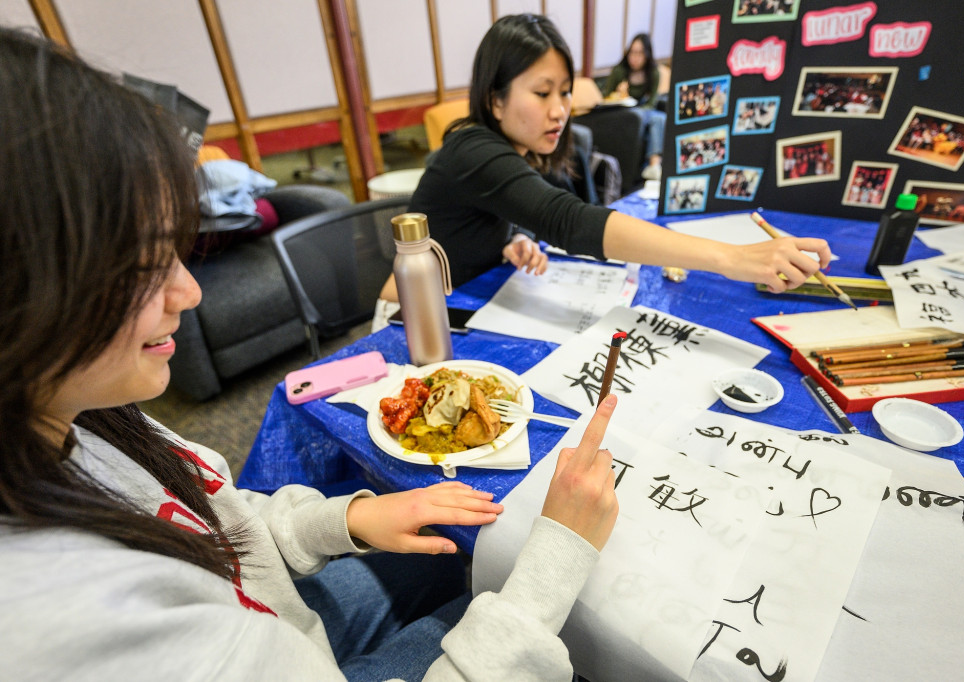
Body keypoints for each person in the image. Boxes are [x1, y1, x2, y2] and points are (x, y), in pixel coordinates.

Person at [0, 26, 620, 681]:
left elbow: (217, 523)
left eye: (563, 93)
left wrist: (348, 517)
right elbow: (570, 220)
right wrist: (556, 561)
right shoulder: (60, 622)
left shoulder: (80, 416)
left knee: (465, 558)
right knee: (535, 599)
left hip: (282, 614)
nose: (187, 291)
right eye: (141, 263)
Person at [377, 14, 831, 308]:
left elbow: (479, 217)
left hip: (472, 299)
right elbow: (567, 221)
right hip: (412, 317)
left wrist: (508, 237)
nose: (560, 109)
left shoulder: (517, 147)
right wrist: (732, 258)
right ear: (495, 101)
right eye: (542, 93)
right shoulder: (473, 150)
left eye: (565, 90)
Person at [602, 33, 667, 181]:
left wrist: (641, 111)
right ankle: (653, 166)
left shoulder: (653, 72)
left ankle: (653, 166)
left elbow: (652, 102)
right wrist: (619, 94)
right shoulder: (620, 71)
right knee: (652, 119)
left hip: (643, 110)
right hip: (622, 112)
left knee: (659, 118)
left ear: (647, 54)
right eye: (632, 52)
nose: (634, 57)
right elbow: (606, 97)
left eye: (639, 53)